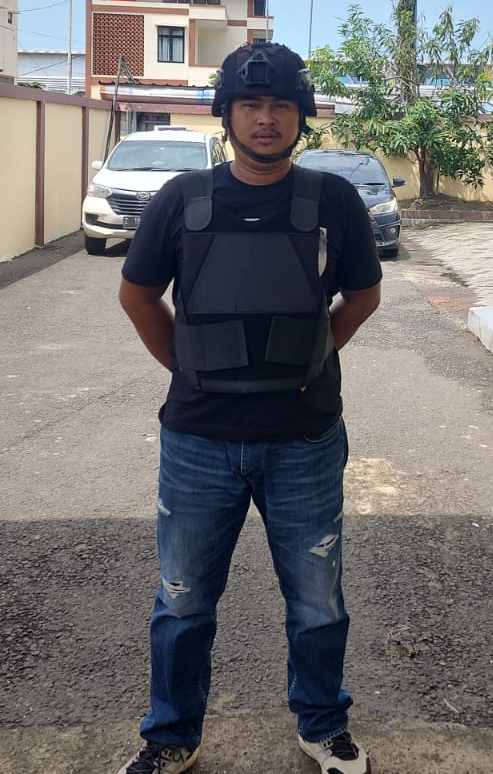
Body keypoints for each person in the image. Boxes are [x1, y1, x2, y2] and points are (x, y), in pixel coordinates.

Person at [116, 41, 383, 774]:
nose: (266, 118)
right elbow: (138, 296)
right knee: (182, 600)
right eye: (251, 104)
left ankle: (323, 726)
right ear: (226, 113)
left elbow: (363, 296)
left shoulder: (333, 201)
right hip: (199, 440)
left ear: (302, 115)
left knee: (318, 601)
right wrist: (188, 365)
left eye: (282, 105)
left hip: (304, 439)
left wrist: (312, 353)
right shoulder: (182, 200)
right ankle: (171, 736)